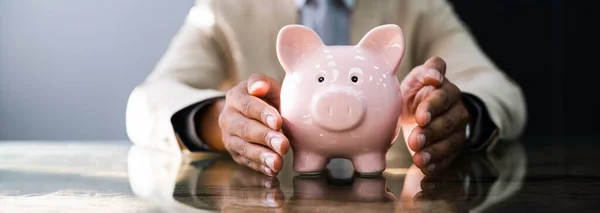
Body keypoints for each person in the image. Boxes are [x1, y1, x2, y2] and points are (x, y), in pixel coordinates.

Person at [125, 0, 527, 176]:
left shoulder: (418, 5)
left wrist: (456, 113)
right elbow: (145, 102)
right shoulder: (223, 9)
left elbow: (501, 90)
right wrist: (218, 121)